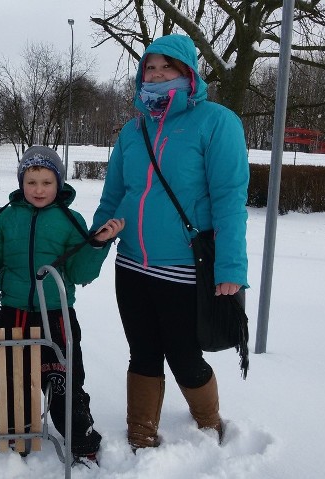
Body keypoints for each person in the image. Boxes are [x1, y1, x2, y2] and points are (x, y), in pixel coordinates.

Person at [91, 34, 249, 449]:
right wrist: (95, 240)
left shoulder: (217, 122)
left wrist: (231, 267)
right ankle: (141, 430)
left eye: (167, 67)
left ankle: (209, 420)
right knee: (142, 351)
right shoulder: (133, 128)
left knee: (183, 355)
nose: (157, 74)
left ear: (188, 72)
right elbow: (115, 194)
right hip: (131, 264)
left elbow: (230, 198)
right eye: (150, 67)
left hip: (183, 267)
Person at [0, 146, 125, 464]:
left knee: (65, 380)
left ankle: (81, 439)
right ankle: (15, 431)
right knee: (10, 379)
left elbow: (80, 272)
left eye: (46, 182)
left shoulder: (70, 219)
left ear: (58, 183)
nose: (38, 189)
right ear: (21, 182)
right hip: (13, 314)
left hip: (57, 316)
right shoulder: (6, 218)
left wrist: (98, 245)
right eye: (31, 181)